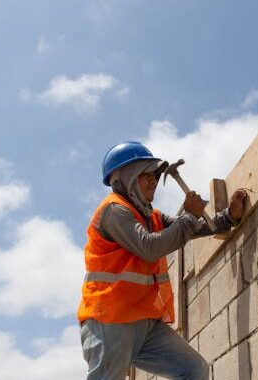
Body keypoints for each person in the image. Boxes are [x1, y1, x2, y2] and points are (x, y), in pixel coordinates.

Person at [76, 141, 247, 380]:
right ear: (124, 178)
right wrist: (188, 215)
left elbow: (192, 227)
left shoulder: (151, 216)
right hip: (111, 319)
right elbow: (149, 247)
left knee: (193, 370)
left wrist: (228, 217)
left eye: (155, 175)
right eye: (145, 174)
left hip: (145, 322)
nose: (153, 180)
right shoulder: (114, 211)